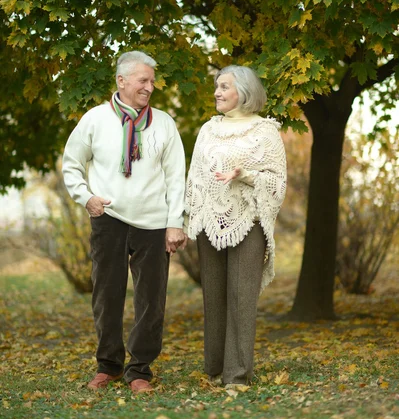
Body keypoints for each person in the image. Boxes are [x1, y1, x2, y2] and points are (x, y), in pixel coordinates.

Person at [62, 50, 186, 393]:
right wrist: (86, 197)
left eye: (152, 81)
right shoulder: (95, 119)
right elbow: (72, 164)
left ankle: (140, 369)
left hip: (154, 223)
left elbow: (177, 177)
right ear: (122, 81)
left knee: (151, 299)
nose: (150, 86)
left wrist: (176, 222)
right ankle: (109, 365)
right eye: (143, 80)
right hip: (109, 219)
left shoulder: (164, 123)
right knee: (106, 295)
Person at [185, 65, 286, 387]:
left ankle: (238, 375)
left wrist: (244, 175)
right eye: (216, 86)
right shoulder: (208, 130)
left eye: (224, 86)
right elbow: (195, 178)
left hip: (249, 220)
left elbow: (277, 182)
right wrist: (192, 217)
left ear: (243, 91)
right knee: (213, 298)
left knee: (242, 299)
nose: (217, 92)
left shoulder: (265, 131)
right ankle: (215, 369)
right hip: (209, 222)